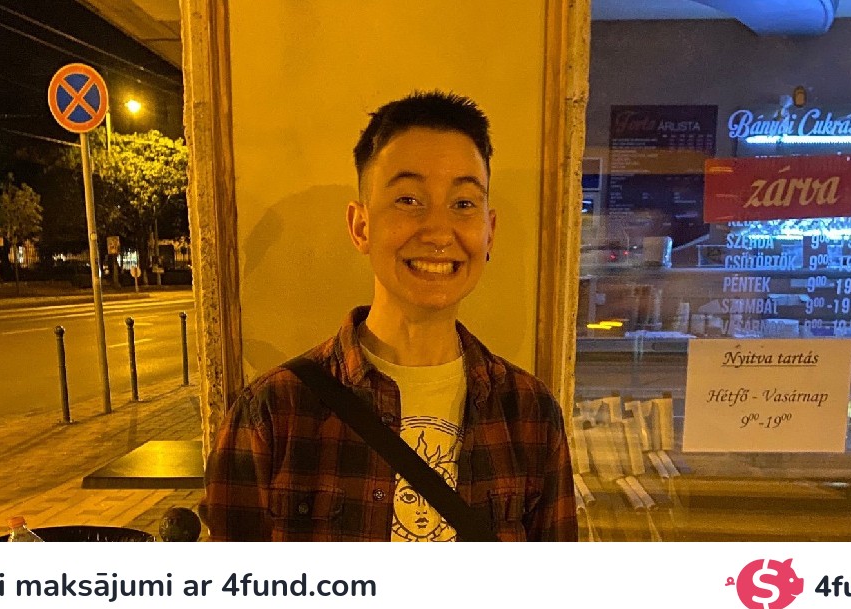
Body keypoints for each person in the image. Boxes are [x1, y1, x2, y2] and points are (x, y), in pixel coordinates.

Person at [201, 91, 575, 541]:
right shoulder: (273, 414)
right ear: (361, 226)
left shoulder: (530, 415)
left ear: (489, 232)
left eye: (463, 204)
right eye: (409, 200)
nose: (438, 232)